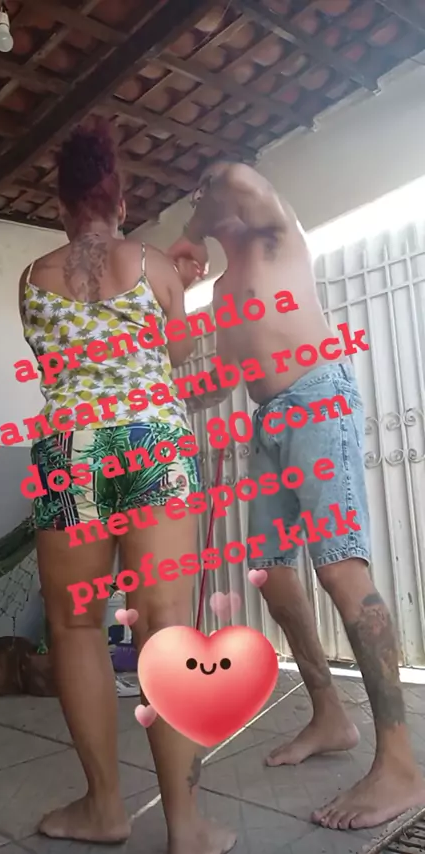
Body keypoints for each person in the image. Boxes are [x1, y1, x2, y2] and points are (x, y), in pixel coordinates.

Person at [168, 160, 425, 831]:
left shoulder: (275, 232)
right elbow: (219, 383)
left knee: (339, 567)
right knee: (272, 576)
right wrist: (158, 378)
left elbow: (234, 177)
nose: (206, 200)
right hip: (269, 421)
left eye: (203, 194)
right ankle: (330, 715)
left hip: (317, 397)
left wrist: (189, 228)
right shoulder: (224, 291)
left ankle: (400, 763)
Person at [18, 120, 235, 854]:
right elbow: (184, 368)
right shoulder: (154, 266)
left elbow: (57, 365)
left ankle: (104, 808)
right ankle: (186, 826)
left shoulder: (34, 278)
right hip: (152, 443)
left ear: (61, 205)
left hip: (69, 449)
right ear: (120, 199)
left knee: (77, 627)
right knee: (165, 625)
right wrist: (182, 290)